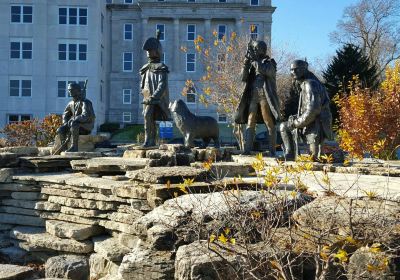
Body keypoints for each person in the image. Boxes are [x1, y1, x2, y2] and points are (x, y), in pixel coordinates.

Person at [279, 60, 333, 161]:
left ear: (304, 70)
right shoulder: (307, 83)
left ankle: (291, 155)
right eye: (291, 70)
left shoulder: (310, 84)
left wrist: (296, 123)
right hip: (312, 121)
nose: (293, 72)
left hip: (317, 125)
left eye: (297, 69)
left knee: (315, 158)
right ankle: (290, 154)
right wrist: (296, 117)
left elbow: (313, 110)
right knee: (284, 126)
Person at [234, 40, 280, 156]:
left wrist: (254, 61)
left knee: (268, 122)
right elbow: (242, 78)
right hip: (253, 96)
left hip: (265, 96)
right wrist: (245, 63)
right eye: (253, 49)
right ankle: (247, 150)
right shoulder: (252, 64)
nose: (254, 51)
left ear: (261, 50)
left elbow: (264, 70)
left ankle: (272, 151)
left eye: (255, 49)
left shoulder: (270, 63)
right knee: (250, 122)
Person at [139, 32, 170, 147]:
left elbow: (162, 85)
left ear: (156, 51)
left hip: (157, 99)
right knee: (147, 117)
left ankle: (151, 140)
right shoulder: (145, 68)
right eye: (147, 50)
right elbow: (143, 84)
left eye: (150, 50)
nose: (148, 52)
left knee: (150, 116)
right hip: (147, 99)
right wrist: (145, 95)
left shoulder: (162, 68)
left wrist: (154, 97)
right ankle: (149, 140)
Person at [55, 82, 95, 153]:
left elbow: (85, 116)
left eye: (71, 90)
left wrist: (74, 119)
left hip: (85, 126)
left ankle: (74, 147)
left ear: (77, 90)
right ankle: (64, 146)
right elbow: (65, 115)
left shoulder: (85, 102)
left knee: (74, 124)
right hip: (73, 125)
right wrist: (65, 123)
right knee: (60, 129)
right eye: (69, 90)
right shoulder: (70, 103)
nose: (69, 91)